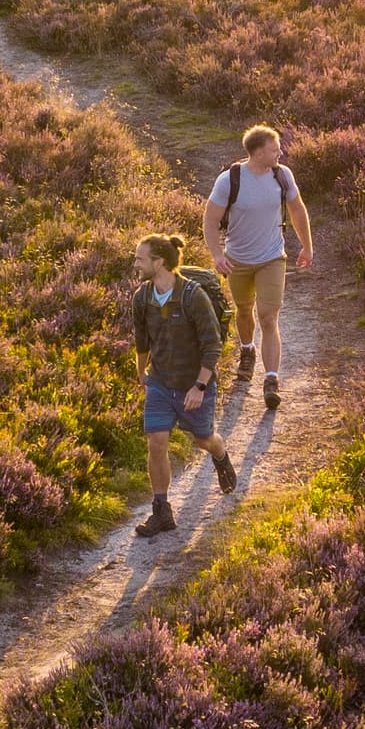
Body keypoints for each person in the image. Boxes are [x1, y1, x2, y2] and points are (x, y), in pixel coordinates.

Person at [199, 122, 311, 416]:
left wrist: (307, 246)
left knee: (268, 316)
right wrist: (217, 254)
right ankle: (247, 349)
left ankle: (271, 380)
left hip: (273, 257)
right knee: (244, 308)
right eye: (275, 149)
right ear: (259, 152)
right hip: (237, 259)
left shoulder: (282, 175)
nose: (280, 153)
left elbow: (297, 210)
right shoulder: (229, 180)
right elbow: (210, 220)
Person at [130, 230, 235, 537]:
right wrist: (141, 373)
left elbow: (212, 346)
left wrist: (199, 387)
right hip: (161, 383)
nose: (136, 263)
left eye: (140, 258)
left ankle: (220, 454)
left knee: (203, 439)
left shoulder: (193, 296)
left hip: (194, 383)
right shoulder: (142, 297)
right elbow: (141, 340)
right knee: (157, 442)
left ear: (159, 262)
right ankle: (161, 511)